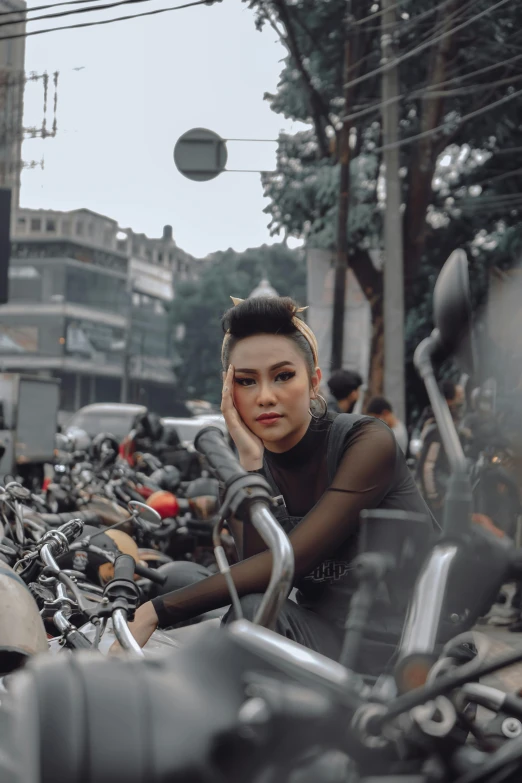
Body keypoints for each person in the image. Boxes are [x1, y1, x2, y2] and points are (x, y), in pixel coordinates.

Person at [123, 296, 438, 674]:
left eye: (283, 375)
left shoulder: (367, 441)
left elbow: (290, 560)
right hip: (329, 643)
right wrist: (251, 462)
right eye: (246, 381)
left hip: (411, 649)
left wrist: (154, 611)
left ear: (314, 381)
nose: (265, 396)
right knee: (252, 610)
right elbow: (266, 580)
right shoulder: (246, 473)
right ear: (230, 393)